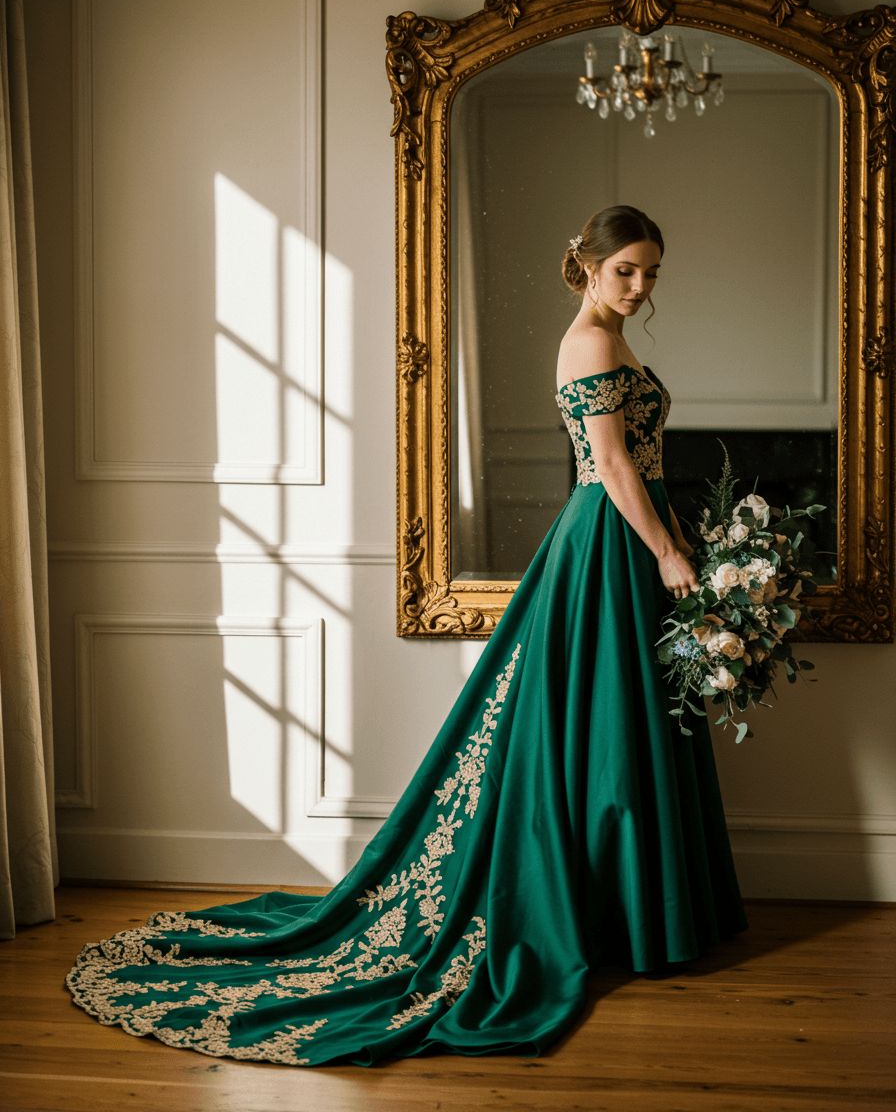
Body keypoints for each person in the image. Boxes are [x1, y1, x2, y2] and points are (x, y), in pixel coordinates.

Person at [66, 204, 747, 1066]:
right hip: (610, 541)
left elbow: (632, 465)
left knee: (624, 732)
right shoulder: (589, 344)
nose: (642, 287)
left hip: (632, 540)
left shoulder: (609, 337)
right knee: (605, 734)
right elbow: (610, 466)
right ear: (588, 266)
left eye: (652, 273)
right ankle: (623, 918)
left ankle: (636, 912)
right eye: (628, 272)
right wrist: (665, 553)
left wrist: (677, 544)